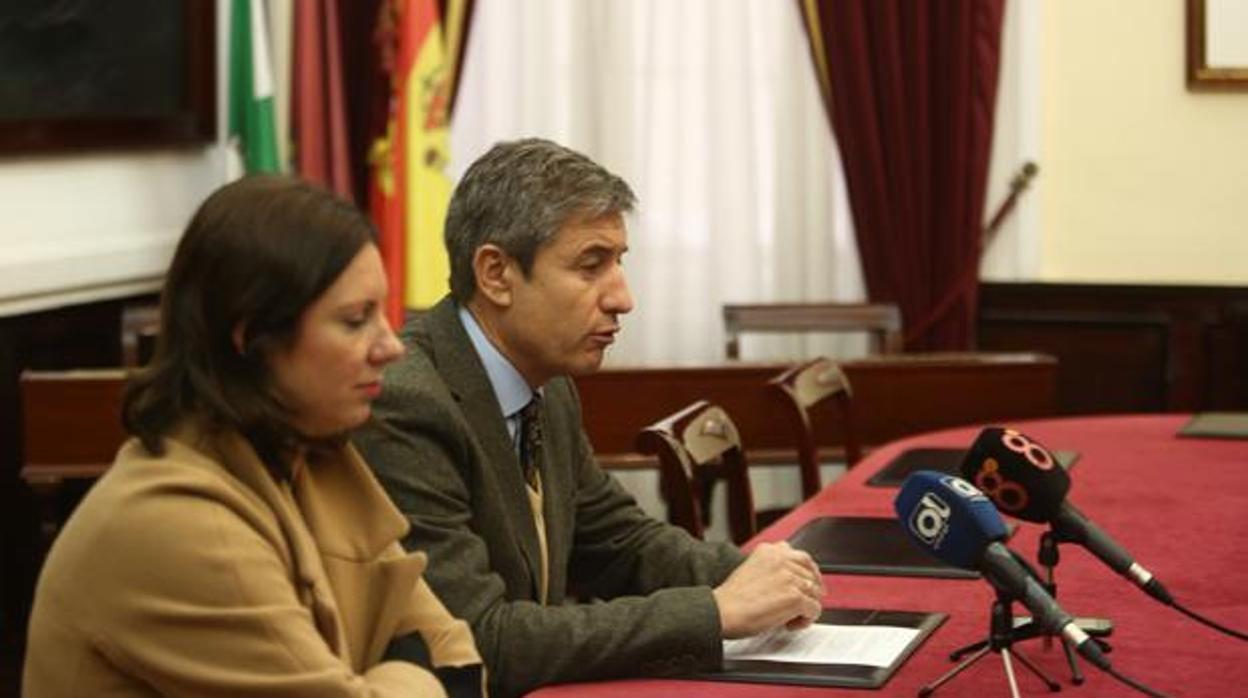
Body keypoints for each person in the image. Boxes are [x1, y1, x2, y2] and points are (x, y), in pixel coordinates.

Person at [355, 138, 825, 697]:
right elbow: (479, 638)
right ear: (496, 274)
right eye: (591, 264)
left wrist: (754, 573)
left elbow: (617, 541)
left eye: (619, 262)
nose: (622, 298)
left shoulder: (547, 385)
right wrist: (714, 611)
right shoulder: (406, 402)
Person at [24, 176, 485, 697]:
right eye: (356, 321)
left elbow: (459, 660)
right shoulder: (180, 523)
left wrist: (407, 671)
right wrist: (415, 671)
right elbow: (437, 666)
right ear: (252, 340)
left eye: (385, 313)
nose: (391, 346)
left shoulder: (312, 458)